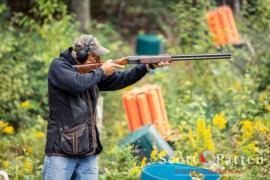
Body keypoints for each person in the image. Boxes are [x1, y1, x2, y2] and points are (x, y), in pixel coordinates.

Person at [42, 34, 170, 180]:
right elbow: (76, 84)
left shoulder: (92, 74)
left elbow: (122, 79)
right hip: (61, 151)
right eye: (95, 57)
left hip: (88, 150)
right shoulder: (59, 66)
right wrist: (102, 71)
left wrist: (147, 66)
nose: (99, 61)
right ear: (81, 55)